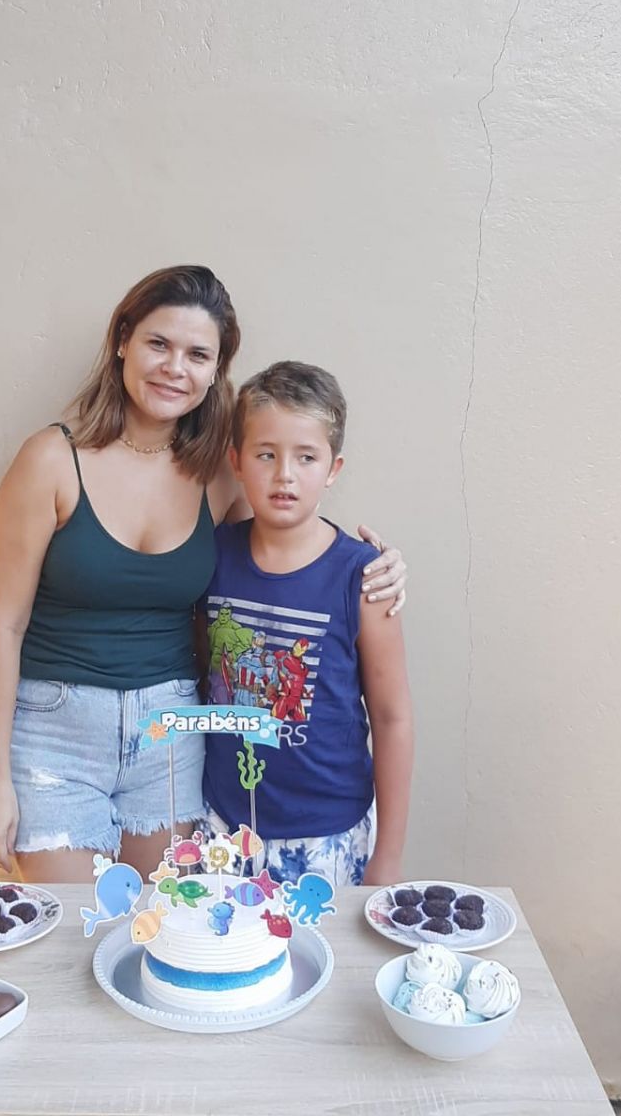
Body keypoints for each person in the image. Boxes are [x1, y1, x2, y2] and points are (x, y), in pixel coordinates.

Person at [0, 267, 407, 884]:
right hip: (57, 736)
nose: (175, 368)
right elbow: (3, 625)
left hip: (171, 735)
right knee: (77, 925)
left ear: (215, 370)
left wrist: (378, 565)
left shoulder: (219, 477)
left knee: (164, 923)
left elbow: (283, 548)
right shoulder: (51, 461)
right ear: (123, 340)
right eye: (158, 344)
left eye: (198, 354)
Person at [199, 360, 415, 888]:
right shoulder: (210, 557)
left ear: (333, 469)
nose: (285, 475)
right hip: (222, 828)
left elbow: (392, 718)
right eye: (265, 454)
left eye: (306, 457)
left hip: (326, 837)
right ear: (236, 461)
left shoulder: (362, 576)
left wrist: (388, 856)